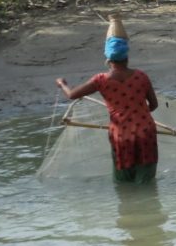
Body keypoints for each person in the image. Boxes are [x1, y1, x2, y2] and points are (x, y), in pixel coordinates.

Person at [55, 27, 160, 184]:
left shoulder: (101, 80)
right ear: (126, 58)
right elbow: (154, 105)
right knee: (146, 181)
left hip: (121, 135)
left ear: (108, 60)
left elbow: (71, 95)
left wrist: (62, 84)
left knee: (124, 182)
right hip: (145, 131)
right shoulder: (141, 76)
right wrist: (138, 114)